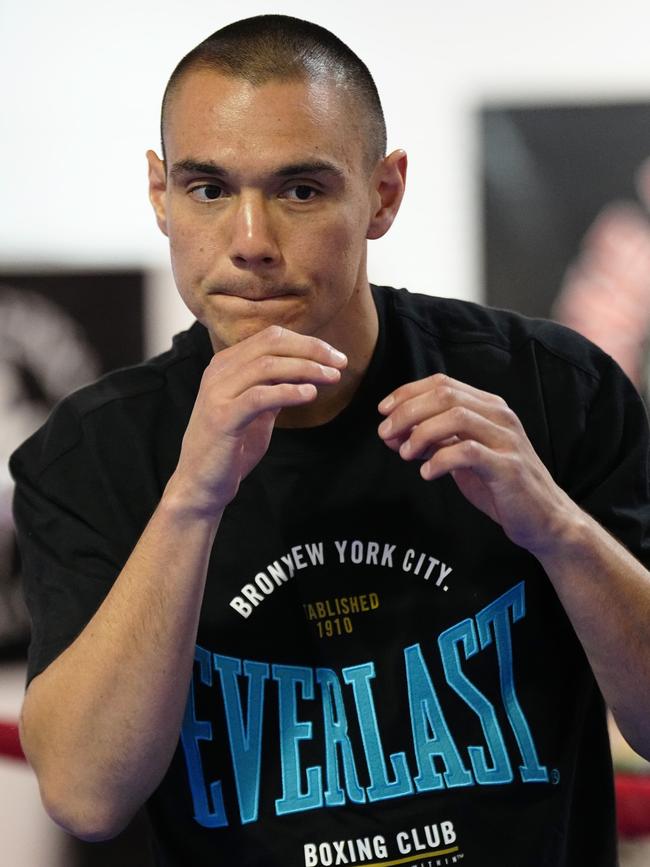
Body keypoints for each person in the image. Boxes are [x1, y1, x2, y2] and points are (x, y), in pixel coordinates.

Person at [9, 14, 650, 867]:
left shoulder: (549, 388)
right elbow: (87, 795)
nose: (250, 244)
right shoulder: (92, 455)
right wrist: (192, 498)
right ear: (160, 193)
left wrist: (556, 528)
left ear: (383, 193)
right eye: (208, 190)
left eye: (300, 191)